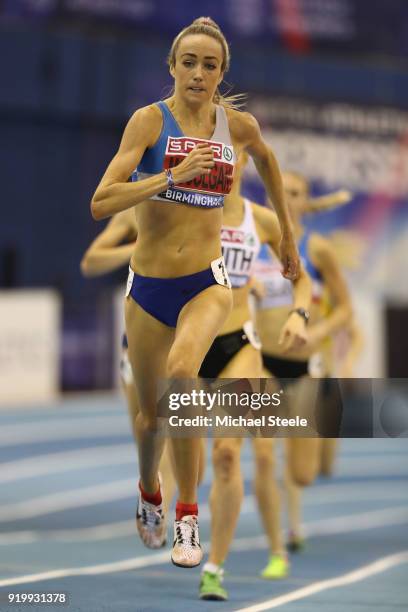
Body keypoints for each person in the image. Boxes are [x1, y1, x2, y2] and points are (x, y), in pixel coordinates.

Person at [90, 17, 299, 568]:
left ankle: (188, 514)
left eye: (210, 65)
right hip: (149, 288)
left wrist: (290, 240)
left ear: (221, 72)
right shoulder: (148, 123)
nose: (198, 73)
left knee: (186, 372)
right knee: (151, 418)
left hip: (207, 284)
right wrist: (171, 177)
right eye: (189, 63)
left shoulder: (238, 127)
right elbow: (102, 200)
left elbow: (271, 166)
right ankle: (149, 491)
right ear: (173, 67)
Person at [198, 153, 312, 601]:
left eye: (232, 152)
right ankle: (167, 505)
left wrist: (300, 316)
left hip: (241, 349)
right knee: (159, 435)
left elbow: (301, 280)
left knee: (234, 455)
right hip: (187, 344)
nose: (222, 161)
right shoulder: (186, 208)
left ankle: (220, 565)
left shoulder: (259, 218)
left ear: (244, 160)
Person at [253, 171, 353, 552]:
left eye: (295, 193)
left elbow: (345, 309)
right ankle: (283, 534)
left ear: (304, 199)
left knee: (303, 472)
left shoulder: (318, 249)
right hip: (262, 359)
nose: (288, 198)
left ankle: (295, 513)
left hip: (305, 366)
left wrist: (316, 330)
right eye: (281, 191)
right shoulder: (257, 242)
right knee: (266, 448)